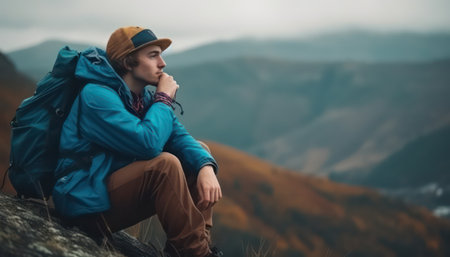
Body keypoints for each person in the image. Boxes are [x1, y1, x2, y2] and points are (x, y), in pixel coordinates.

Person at [52, 26, 223, 257]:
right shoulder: (96, 96)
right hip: (85, 202)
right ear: (127, 62)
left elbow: (180, 138)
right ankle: (197, 253)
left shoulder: (143, 99)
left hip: (110, 190)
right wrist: (163, 99)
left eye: (160, 56)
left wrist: (205, 167)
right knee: (165, 165)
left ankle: (186, 248)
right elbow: (148, 144)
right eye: (153, 56)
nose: (162, 64)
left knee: (199, 152)